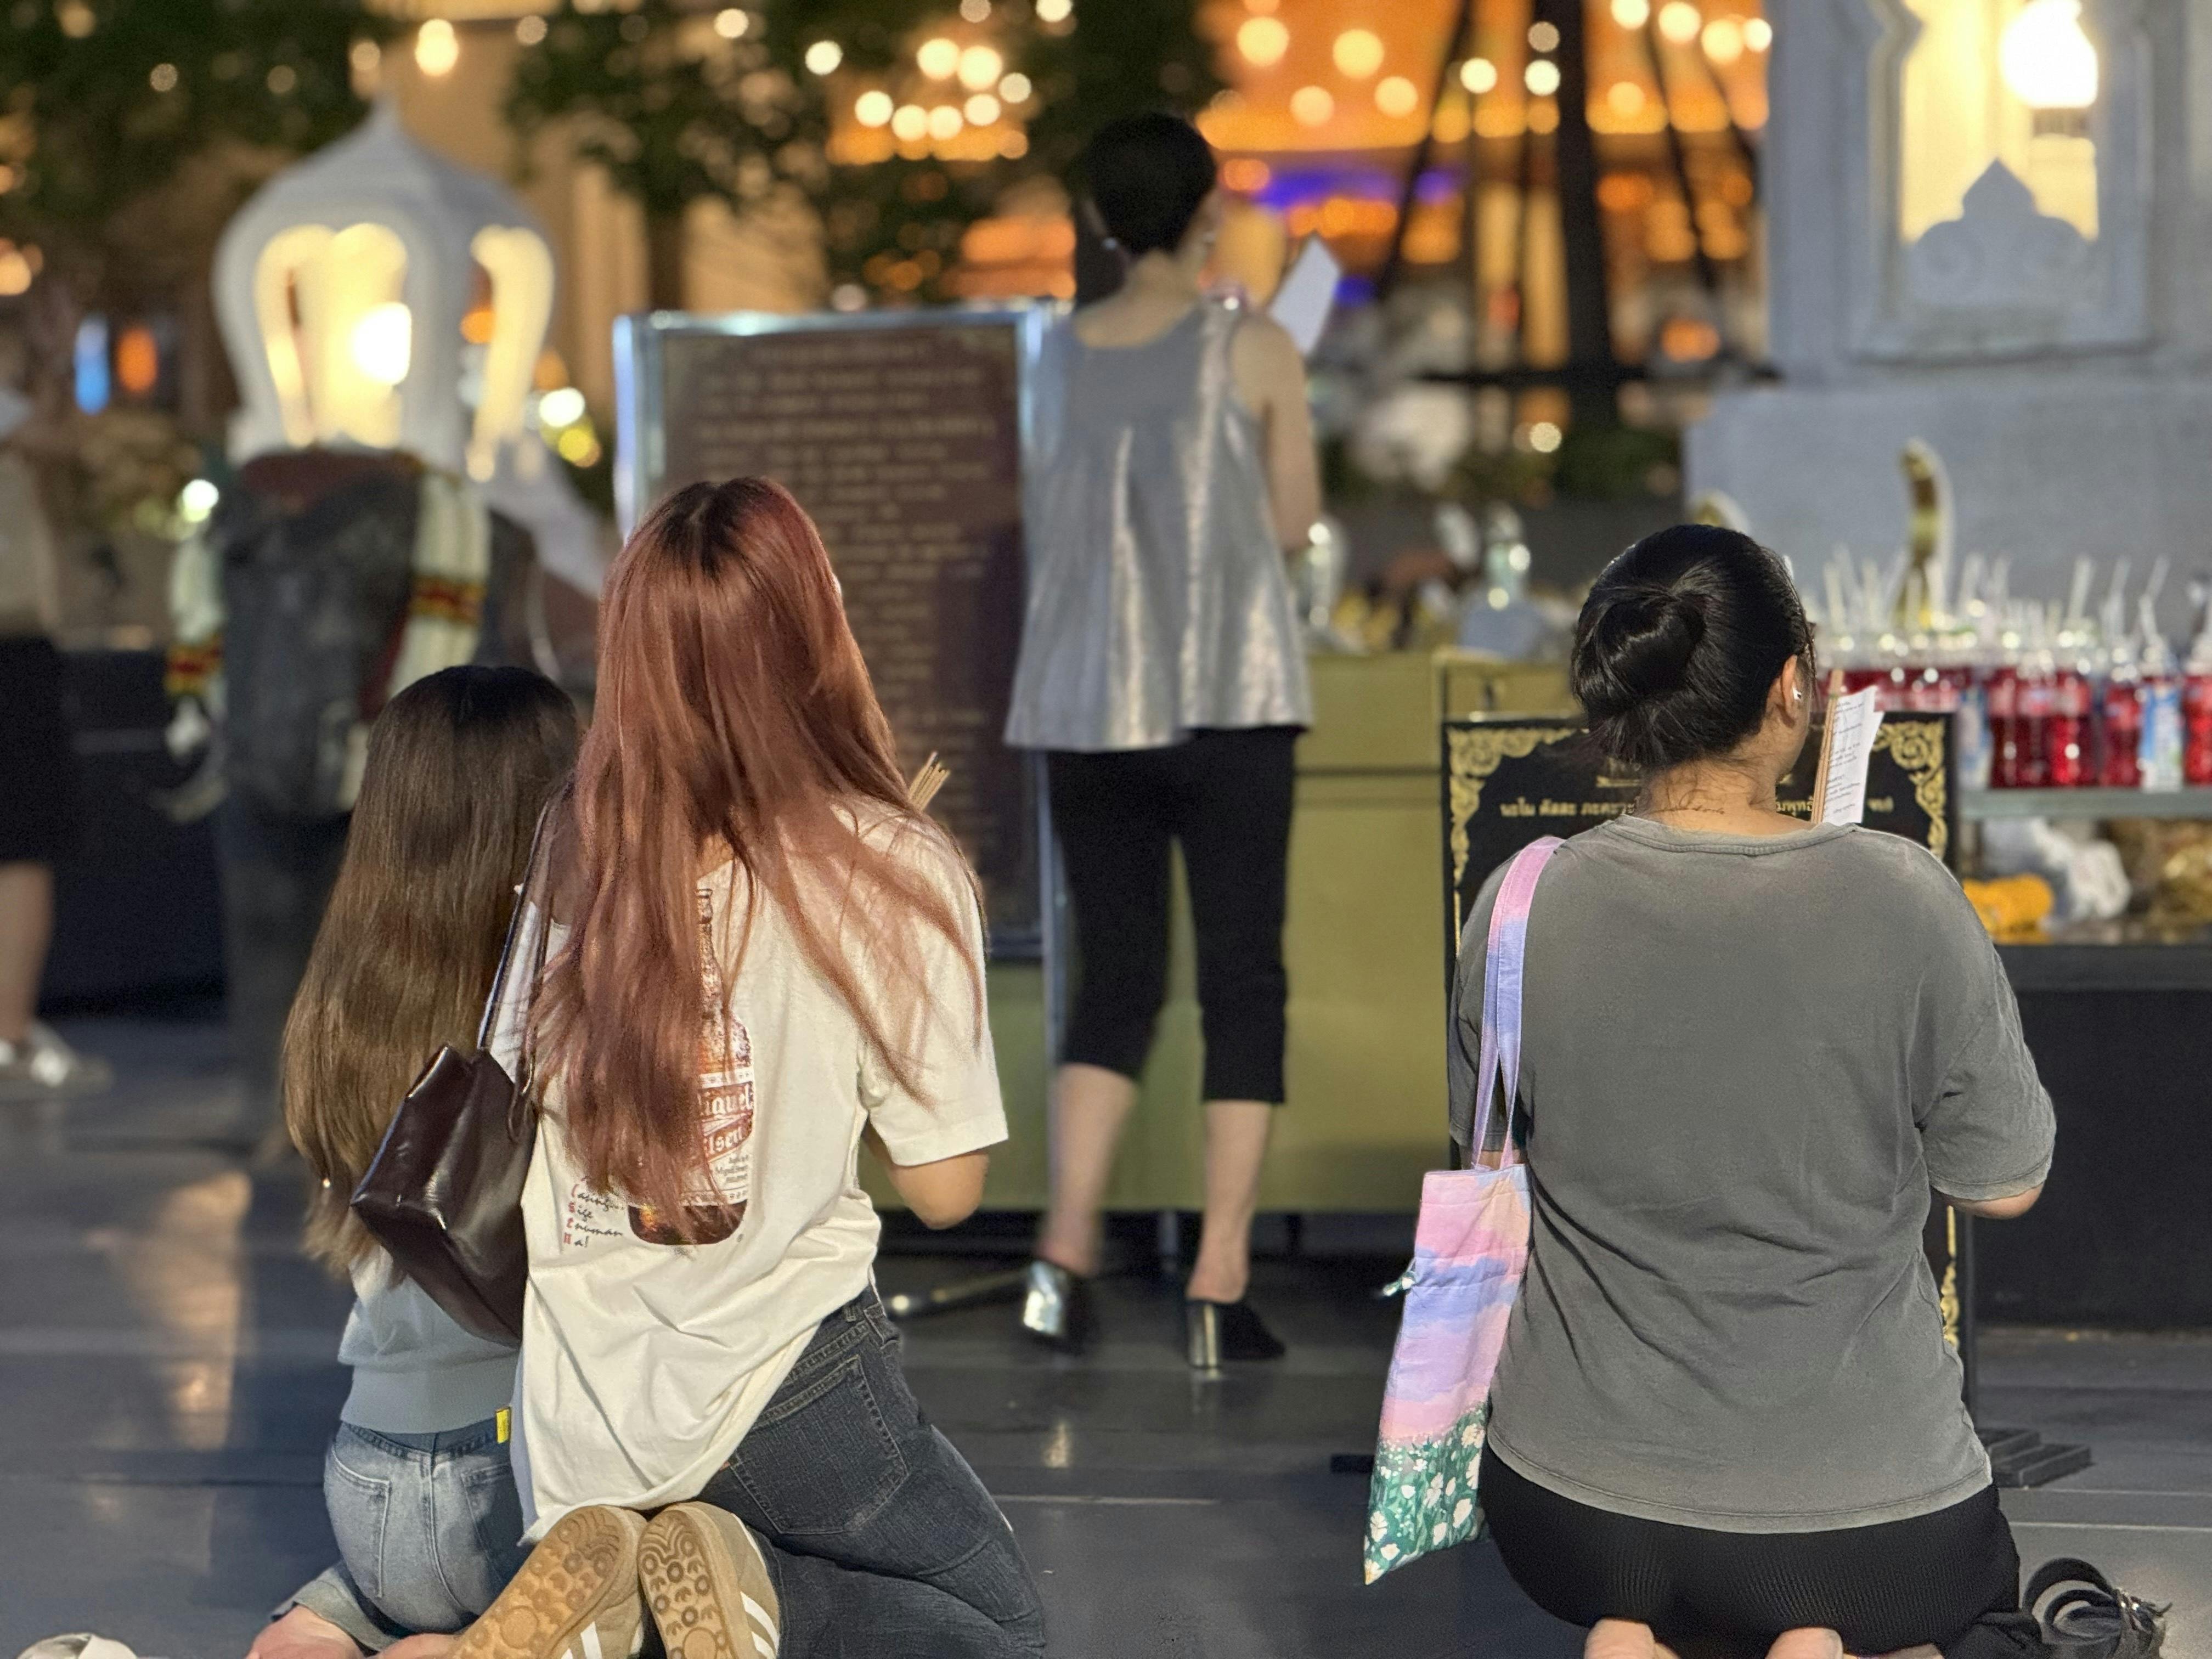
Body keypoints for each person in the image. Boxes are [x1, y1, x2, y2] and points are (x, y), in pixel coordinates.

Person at [443, 477, 1042, 1659]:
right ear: (816, 635)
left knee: (666, 1589)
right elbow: (947, 1189)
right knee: (997, 1631)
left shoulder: (574, 843)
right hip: (789, 1380)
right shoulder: (891, 864)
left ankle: (633, 1604)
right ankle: (763, 1591)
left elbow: (514, 1098)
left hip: (580, 1410)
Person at [1454, 526, 2052, 1659]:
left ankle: (1635, 1631)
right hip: (1865, 1510)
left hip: (1570, 1504)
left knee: (1656, 1595)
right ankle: (1816, 1640)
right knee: (1930, 1622)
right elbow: (2003, 1182)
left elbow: (1489, 1164)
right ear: (1790, 689)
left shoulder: (1519, 903)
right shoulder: (1903, 896)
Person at [1002, 112, 1321, 1367]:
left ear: (1097, 220)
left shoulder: (1051, 358)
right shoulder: (1255, 346)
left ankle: (1062, 1255)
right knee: (1243, 979)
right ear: (1209, 212)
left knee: (1116, 979)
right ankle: (1218, 1282)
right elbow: (1291, 522)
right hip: (1231, 698)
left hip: (1088, 707)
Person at [251, 664, 579, 1659]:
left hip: (367, 1474)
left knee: (378, 1595)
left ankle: (330, 1625)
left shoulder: (336, 1006)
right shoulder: (566, 992)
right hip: (513, 1469)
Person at [0, 382, 110, 1099]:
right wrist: (57, 359)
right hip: (9, 643)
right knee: (22, 841)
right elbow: (65, 441)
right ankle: (8, 1037)